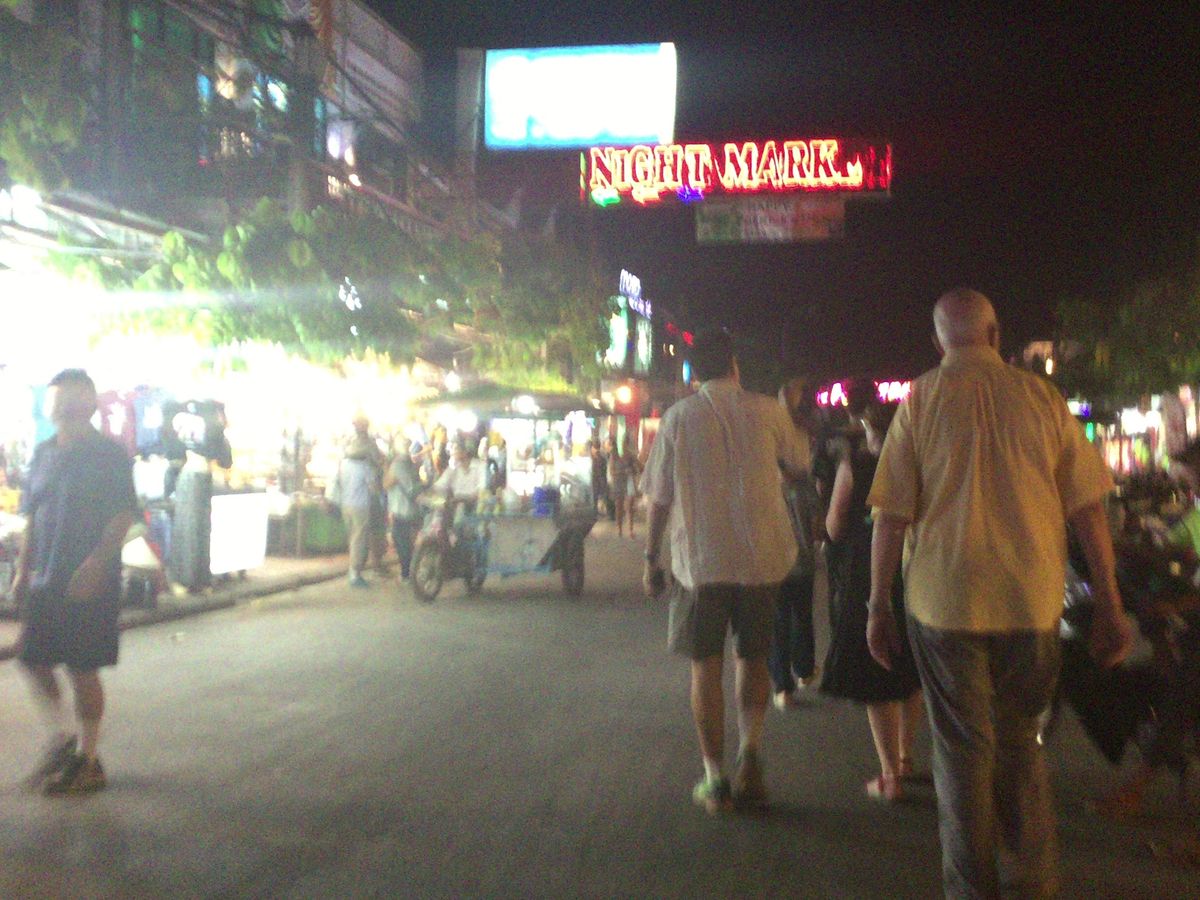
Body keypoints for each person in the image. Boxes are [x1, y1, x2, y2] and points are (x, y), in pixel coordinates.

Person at [867, 289, 1134, 897]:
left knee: (962, 753)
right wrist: (1110, 605)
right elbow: (1088, 508)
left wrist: (878, 606)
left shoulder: (920, 400)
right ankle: (1033, 880)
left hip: (943, 604)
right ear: (995, 335)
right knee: (1021, 744)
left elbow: (890, 517)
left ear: (938, 342)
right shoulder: (1042, 398)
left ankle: (973, 888)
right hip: (1030, 602)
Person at [640, 328, 811, 815]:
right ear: (734, 366)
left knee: (705, 667)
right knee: (754, 659)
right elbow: (799, 465)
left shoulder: (678, 418)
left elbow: (659, 499)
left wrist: (650, 560)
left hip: (700, 563)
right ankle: (750, 754)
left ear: (695, 373)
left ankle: (715, 780)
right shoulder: (768, 411)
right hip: (761, 560)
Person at [12, 369, 139, 795]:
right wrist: (23, 570)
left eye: (74, 400)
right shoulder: (44, 453)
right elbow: (33, 516)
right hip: (46, 579)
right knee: (32, 658)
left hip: (89, 579)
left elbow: (123, 514)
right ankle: (64, 738)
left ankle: (88, 760)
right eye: (58, 401)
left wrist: (98, 563)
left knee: (82, 668)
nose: (65, 409)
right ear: (49, 407)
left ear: (89, 405)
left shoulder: (108, 455)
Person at [821, 396, 923, 802]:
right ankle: (905, 756)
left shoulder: (856, 466)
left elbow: (833, 525)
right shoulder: (916, 465)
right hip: (912, 568)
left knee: (875, 668)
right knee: (909, 667)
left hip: (867, 570)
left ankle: (889, 775)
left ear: (870, 431)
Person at [770, 378, 824, 710]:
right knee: (801, 615)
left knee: (780, 620)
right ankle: (801, 671)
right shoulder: (804, 484)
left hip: (776, 558)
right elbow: (817, 525)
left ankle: (783, 686)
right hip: (799, 556)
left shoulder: (767, 485)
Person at [333, 418, 383, 588]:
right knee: (358, 541)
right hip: (360, 506)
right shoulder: (364, 467)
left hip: (345, 505)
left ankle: (353, 571)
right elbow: (374, 488)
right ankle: (355, 574)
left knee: (352, 538)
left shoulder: (344, 464)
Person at [384, 439, 424, 580]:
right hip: (405, 509)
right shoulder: (406, 463)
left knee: (403, 543)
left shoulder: (399, 464)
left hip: (403, 510)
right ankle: (409, 572)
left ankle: (407, 573)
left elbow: (410, 489)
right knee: (404, 543)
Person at [609, 435, 639, 538]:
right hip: (618, 483)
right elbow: (612, 471)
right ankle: (619, 529)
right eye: (622, 443)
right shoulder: (614, 455)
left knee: (629, 507)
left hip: (628, 482)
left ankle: (630, 529)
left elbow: (637, 468)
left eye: (625, 443)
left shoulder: (630, 456)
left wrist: (632, 470)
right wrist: (622, 472)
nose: (624, 445)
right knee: (619, 507)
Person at [590, 440, 612, 520]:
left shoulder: (598, 457)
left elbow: (600, 470)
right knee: (601, 497)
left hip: (599, 480)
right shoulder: (600, 457)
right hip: (600, 480)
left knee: (599, 497)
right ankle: (603, 513)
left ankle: (604, 513)